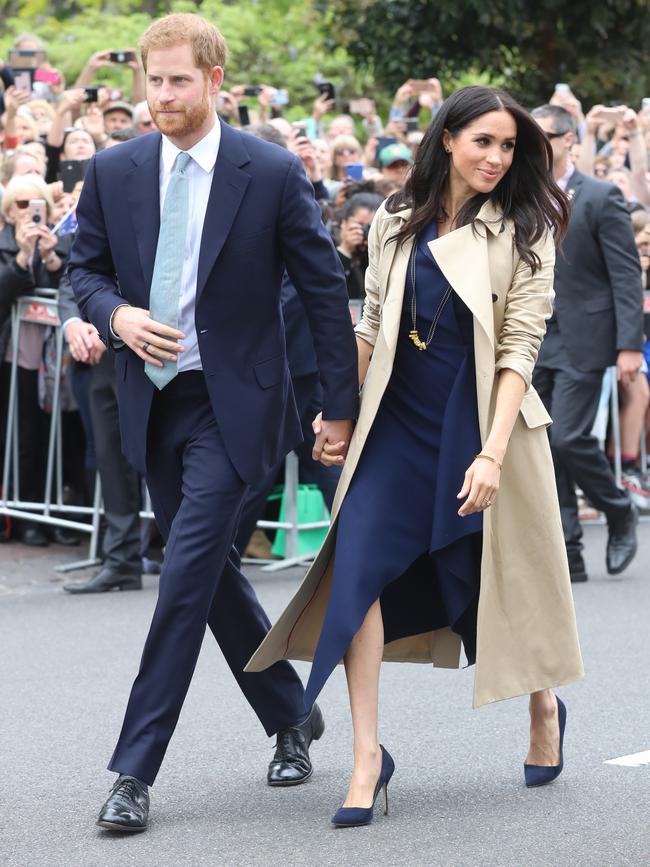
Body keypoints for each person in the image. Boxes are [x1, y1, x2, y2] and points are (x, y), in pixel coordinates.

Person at [247, 85, 584, 827]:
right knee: (357, 569)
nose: (497, 157)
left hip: (480, 420)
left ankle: (542, 701)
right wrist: (339, 411)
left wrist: (492, 453)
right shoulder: (398, 214)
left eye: (508, 146)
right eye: (483, 142)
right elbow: (370, 321)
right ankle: (368, 754)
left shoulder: (526, 227)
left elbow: (521, 348)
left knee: (494, 582)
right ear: (449, 138)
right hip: (395, 420)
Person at [68, 13, 358, 832]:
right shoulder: (113, 168)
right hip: (155, 399)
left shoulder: (266, 171)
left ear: (213, 80)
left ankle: (133, 769)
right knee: (207, 575)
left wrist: (337, 408)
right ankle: (292, 712)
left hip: (240, 407)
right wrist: (118, 315)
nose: (162, 96)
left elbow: (322, 290)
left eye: (178, 82)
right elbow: (83, 268)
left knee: (183, 574)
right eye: (152, 81)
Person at [531, 104, 644, 583]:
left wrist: (630, 346)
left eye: (545, 138)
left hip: (586, 335)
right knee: (543, 446)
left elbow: (625, 274)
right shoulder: (519, 196)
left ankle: (619, 508)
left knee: (568, 436)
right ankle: (569, 552)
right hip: (534, 336)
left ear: (569, 140)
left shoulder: (599, 196)